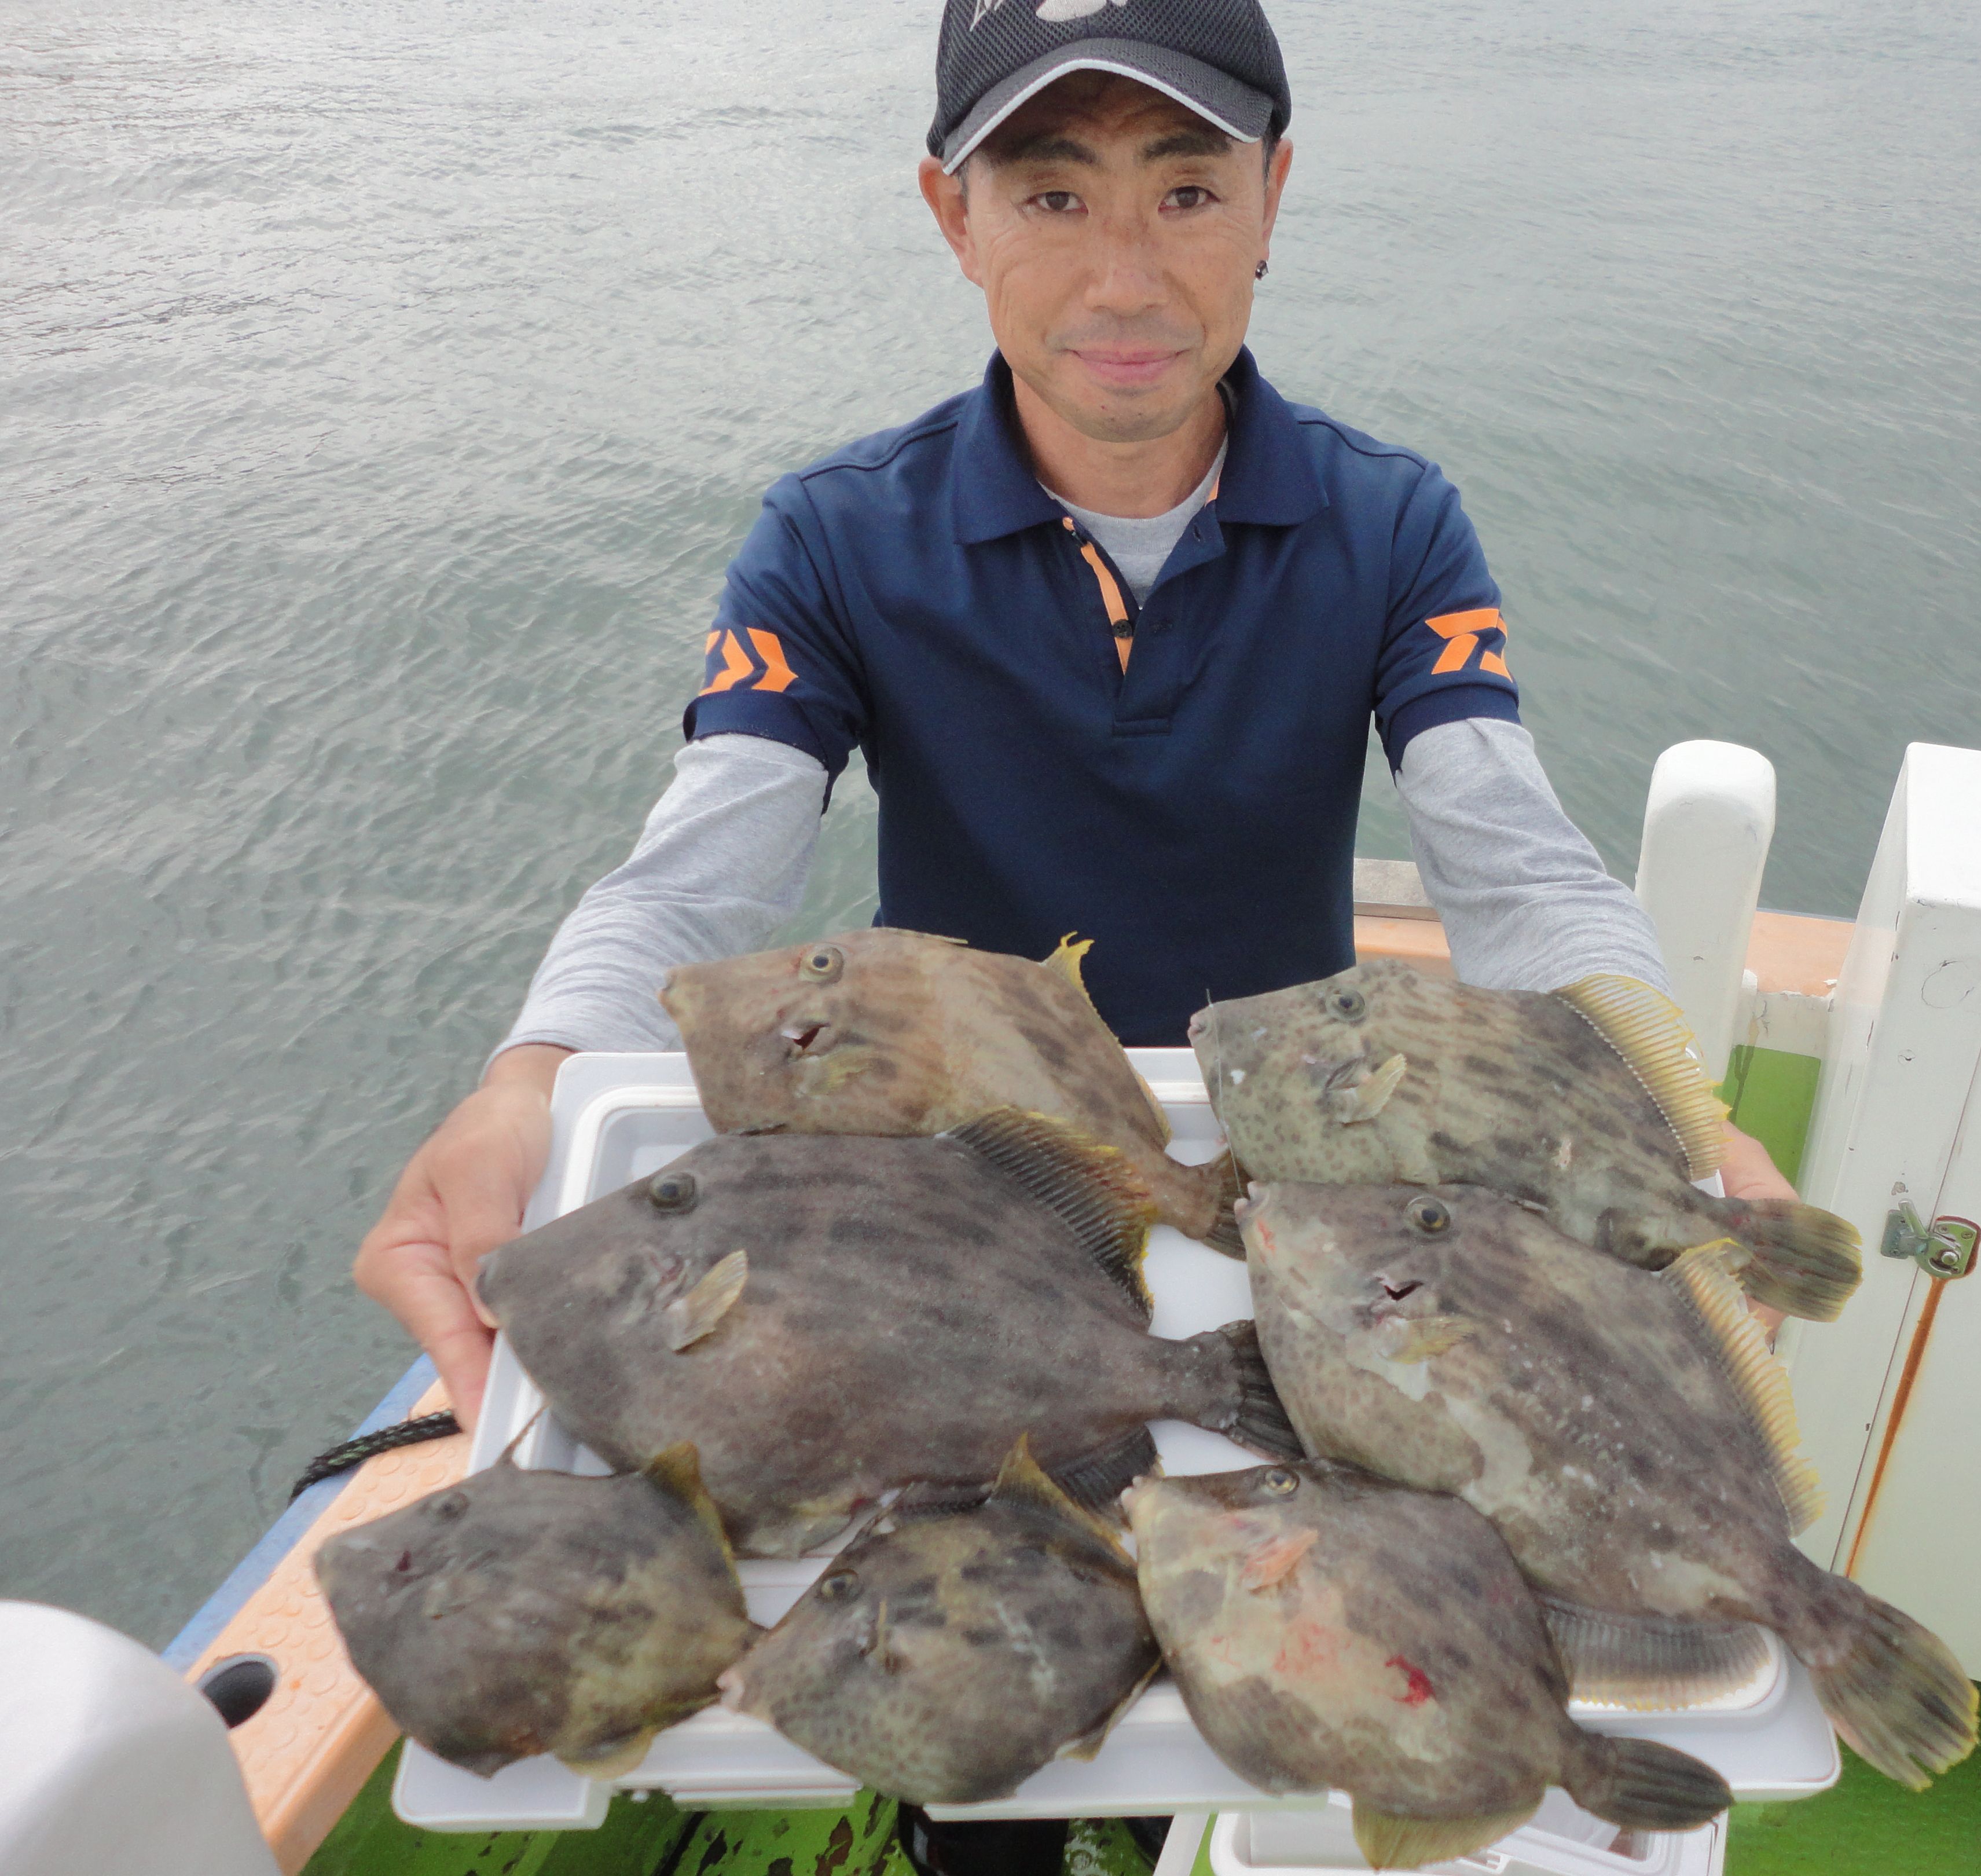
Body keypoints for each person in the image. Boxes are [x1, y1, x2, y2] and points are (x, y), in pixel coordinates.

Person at [358, 0, 1797, 1509]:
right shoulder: (835, 538)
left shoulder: (1393, 524)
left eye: (1187, 191)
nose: (1125, 279)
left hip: (1289, 1183)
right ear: (954, 216)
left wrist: (1679, 1136)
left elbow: (1515, 864)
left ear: (1271, 198)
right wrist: (532, 1082)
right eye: (1052, 195)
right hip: (952, 1213)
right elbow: (698, 873)